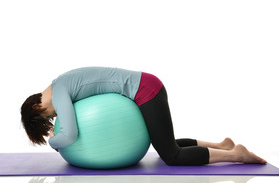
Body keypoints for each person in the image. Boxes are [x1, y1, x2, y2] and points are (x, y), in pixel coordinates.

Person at [21, 67, 267, 165]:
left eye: (46, 119)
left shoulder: (60, 90)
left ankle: (236, 155)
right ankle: (221, 145)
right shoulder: (62, 84)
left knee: (171, 156)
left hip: (145, 90)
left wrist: (54, 141)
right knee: (161, 142)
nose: (53, 118)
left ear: (36, 108)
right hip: (145, 86)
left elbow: (70, 133)